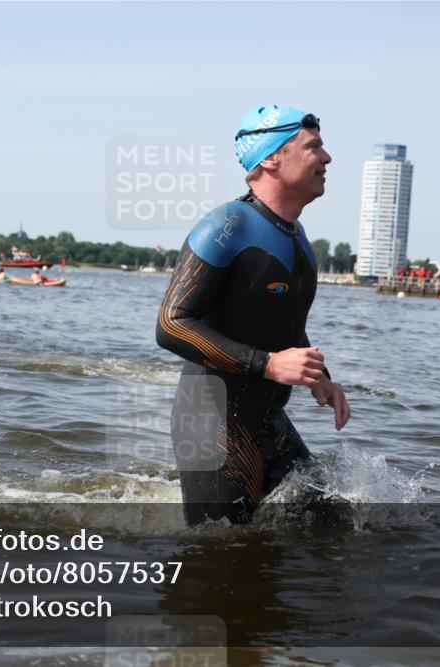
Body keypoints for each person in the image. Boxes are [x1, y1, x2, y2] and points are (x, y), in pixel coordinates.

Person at [156, 104, 350, 526]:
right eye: (314, 146)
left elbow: (285, 324)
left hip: (266, 420)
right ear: (270, 158)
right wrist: (268, 363)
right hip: (211, 426)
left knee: (334, 527)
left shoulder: (296, 235)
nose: (327, 158)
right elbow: (172, 323)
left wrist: (321, 375)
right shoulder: (228, 224)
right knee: (223, 562)